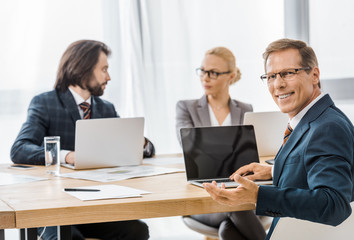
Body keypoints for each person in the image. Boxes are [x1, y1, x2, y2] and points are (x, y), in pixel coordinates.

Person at [203, 38, 354, 240]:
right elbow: (314, 161)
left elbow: (332, 205)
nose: (278, 84)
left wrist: (258, 196)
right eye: (271, 76)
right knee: (229, 231)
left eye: (288, 73)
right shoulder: (316, 119)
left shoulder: (327, 128)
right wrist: (274, 169)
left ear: (314, 75)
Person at [10, 40, 154, 240]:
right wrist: (67, 156)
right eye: (104, 69)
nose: (109, 76)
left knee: (137, 230)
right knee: (69, 237)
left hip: (92, 203)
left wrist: (142, 144)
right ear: (83, 69)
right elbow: (20, 149)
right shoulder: (45, 103)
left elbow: (143, 150)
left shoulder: (106, 109)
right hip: (53, 207)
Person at [176, 47, 266, 240]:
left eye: (213, 73)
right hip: (203, 196)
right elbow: (189, 148)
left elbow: (247, 153)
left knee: (228, 229)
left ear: (230, 76)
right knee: (236, 208)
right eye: (203, 71)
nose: (205, 78)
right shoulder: (186, 108)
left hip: (239, 188)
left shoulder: (245, 109)